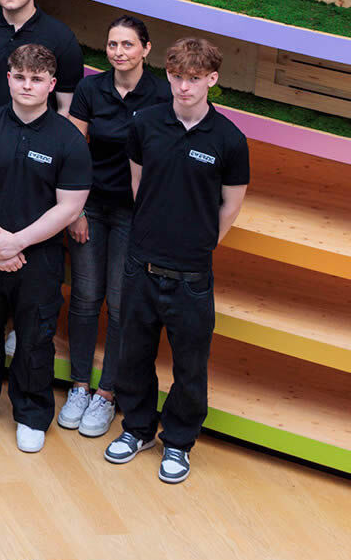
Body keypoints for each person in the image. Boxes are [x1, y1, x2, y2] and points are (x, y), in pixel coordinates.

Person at [104, 37, 249, 485]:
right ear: (167, 75)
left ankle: (179, 442)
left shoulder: (230, 139)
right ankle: (137, 429)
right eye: (178, 77)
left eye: (195, 79)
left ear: (212, 79)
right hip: (141, 265)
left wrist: (199, 245)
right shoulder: (145, 124)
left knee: (189, 365)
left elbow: (231, 205)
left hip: (192, 276)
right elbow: (138, 185)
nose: (185, 87)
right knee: (133, 355)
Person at [0, 42, 93, 453]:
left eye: (37, 79)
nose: (27, 85)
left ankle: (31, 412)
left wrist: (17, 242)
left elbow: (70, 207)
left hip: (39, 256)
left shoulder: (69, 139)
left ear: (51, 85)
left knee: (34, 338)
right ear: (9, 79)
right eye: (21, 77)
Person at [64, 15, 170, 438]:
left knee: (122, 305)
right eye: (112, 44)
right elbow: (73, 152)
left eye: (128, 44)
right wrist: (74, 210)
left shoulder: (162, 94)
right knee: (85, 297)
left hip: (135, 214)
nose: (119, 52)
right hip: (90, 207)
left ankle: (107, 393)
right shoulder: (91, 89)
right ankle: (79, 387)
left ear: (146, 49)